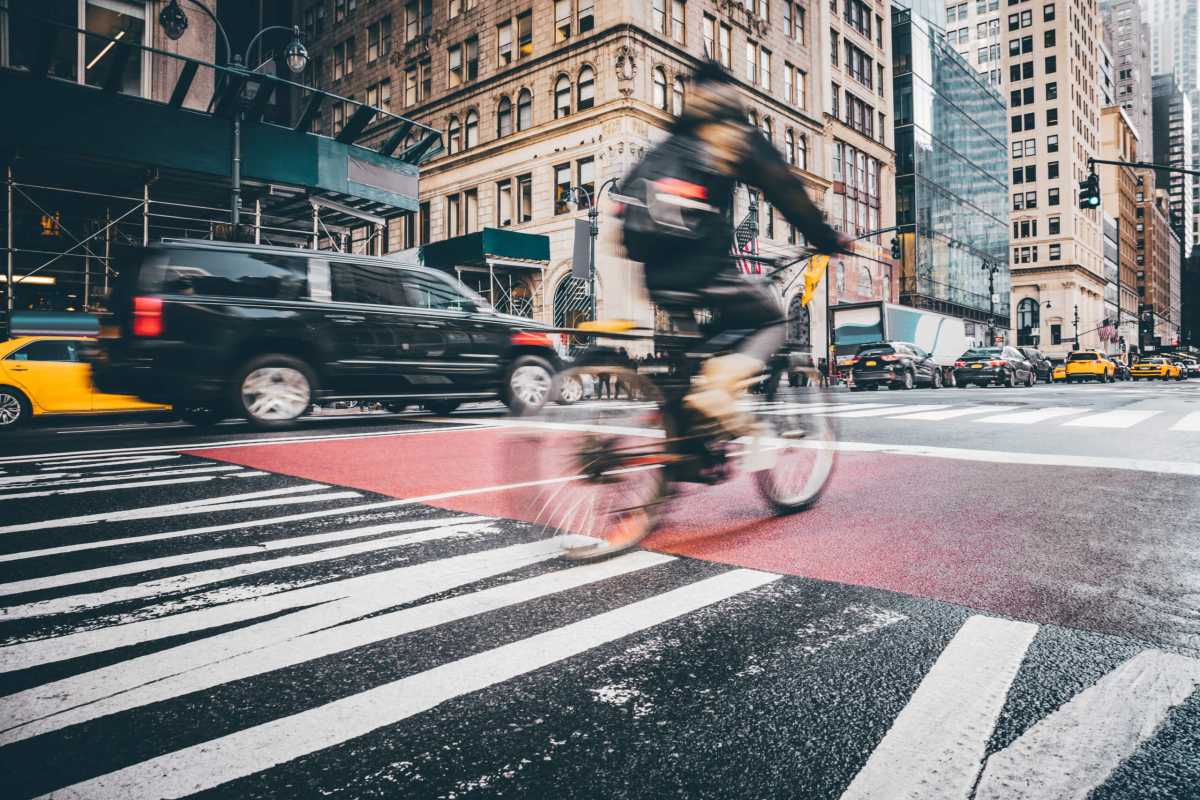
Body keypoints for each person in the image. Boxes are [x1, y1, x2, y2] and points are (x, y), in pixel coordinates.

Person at [626, 60, 850, 432]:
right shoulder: (732, 133)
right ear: (730, 93)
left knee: (700, 352)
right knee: (771, 319)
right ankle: (713, 397)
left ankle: (683, 443)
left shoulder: (673, 139)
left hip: (651, 270)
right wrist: (826, 237)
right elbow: (786, 191)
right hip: (700, 266)